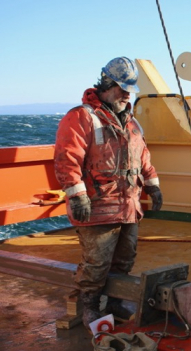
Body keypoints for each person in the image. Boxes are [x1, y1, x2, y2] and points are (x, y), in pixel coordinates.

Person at [54, 57, 163, 329]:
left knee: (125, 258)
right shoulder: (81, 117)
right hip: (98, 206)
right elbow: (67, 158)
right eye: (121, 88)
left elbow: (143, 157)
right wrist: (77, 195)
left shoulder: (132, 123)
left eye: (129, 89)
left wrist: (153, 185)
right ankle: (89, 306)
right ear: (105, 85)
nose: (127, 94)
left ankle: (115, 303)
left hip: (128, 205)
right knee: (96, 264)